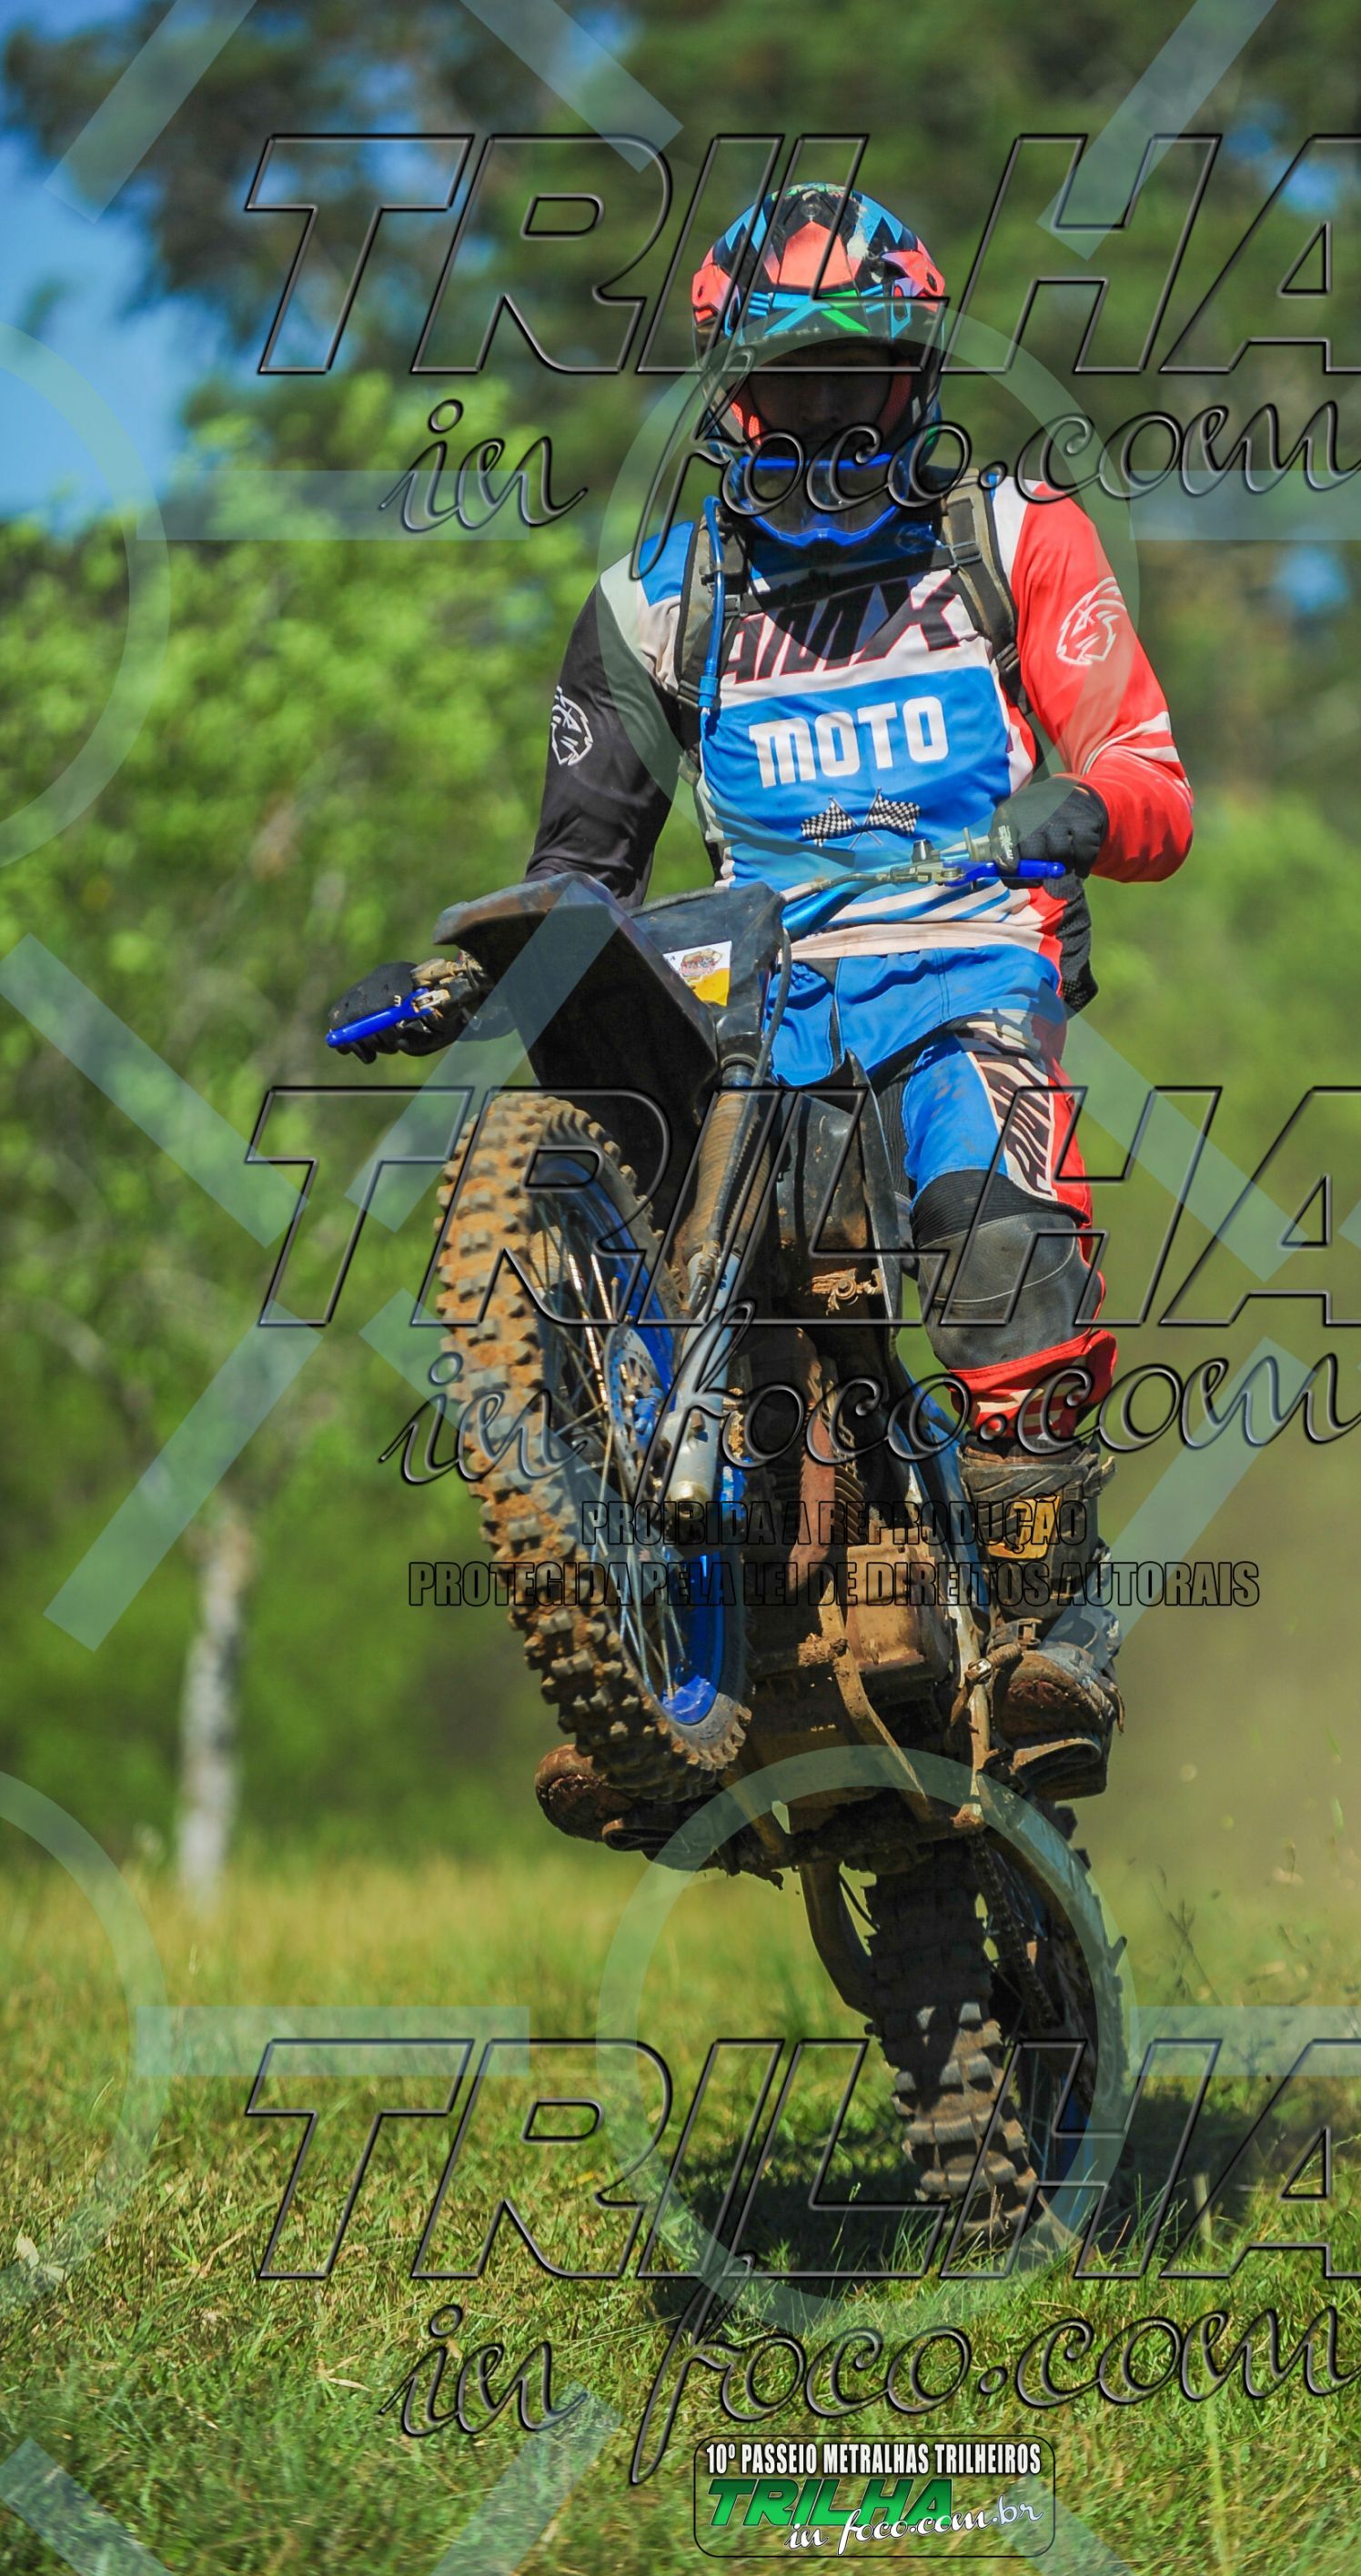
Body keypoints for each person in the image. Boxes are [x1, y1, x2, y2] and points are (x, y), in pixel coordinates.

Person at [330, 182, 1193, 1799]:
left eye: (852, 380)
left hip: (963, 965)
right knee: (616, 1222)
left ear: (912, 379)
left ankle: (1054, 1626)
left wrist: (1082, 810)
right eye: (790, 384)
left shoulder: (1014, 539)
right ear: (732, 394)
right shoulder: (656, 603)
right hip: (749, 1007)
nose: (821, 416)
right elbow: (580, 874)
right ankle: (636, 1648)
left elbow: (1150, 771)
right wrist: (464, 979)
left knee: (991, 1224)